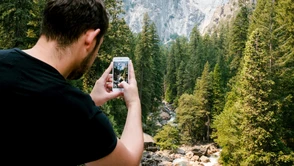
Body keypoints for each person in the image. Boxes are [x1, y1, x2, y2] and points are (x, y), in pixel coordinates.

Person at [0, 0, 143, 165]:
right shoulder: (77, 112)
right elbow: (128, 162)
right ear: (90, 38)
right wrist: (133, 103)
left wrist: (91, 101)